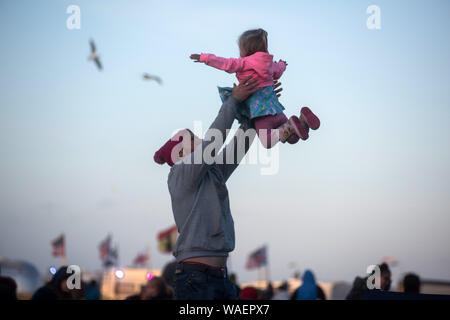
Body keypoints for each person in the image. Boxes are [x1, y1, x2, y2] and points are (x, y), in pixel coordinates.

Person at [154, 76, 280, 300]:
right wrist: (232, 101)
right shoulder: (180, 173)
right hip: (196, 279)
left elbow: (239, 145)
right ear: (181, 154)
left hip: (218, 277)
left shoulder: (210, 173)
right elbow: (214, 140)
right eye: (193, 139)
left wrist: (260, 105)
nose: (201, 139)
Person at [190, 28, 320, 148]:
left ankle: (293, 125)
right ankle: (303, 121)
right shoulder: (270, 64)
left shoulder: (243, 63)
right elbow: (278, 71)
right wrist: (282, 64)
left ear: (246, 49)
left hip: (261, 114)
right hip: (276, 109)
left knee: (267, 142)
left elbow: (225, 63)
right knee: (291, 138)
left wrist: (204, 58)